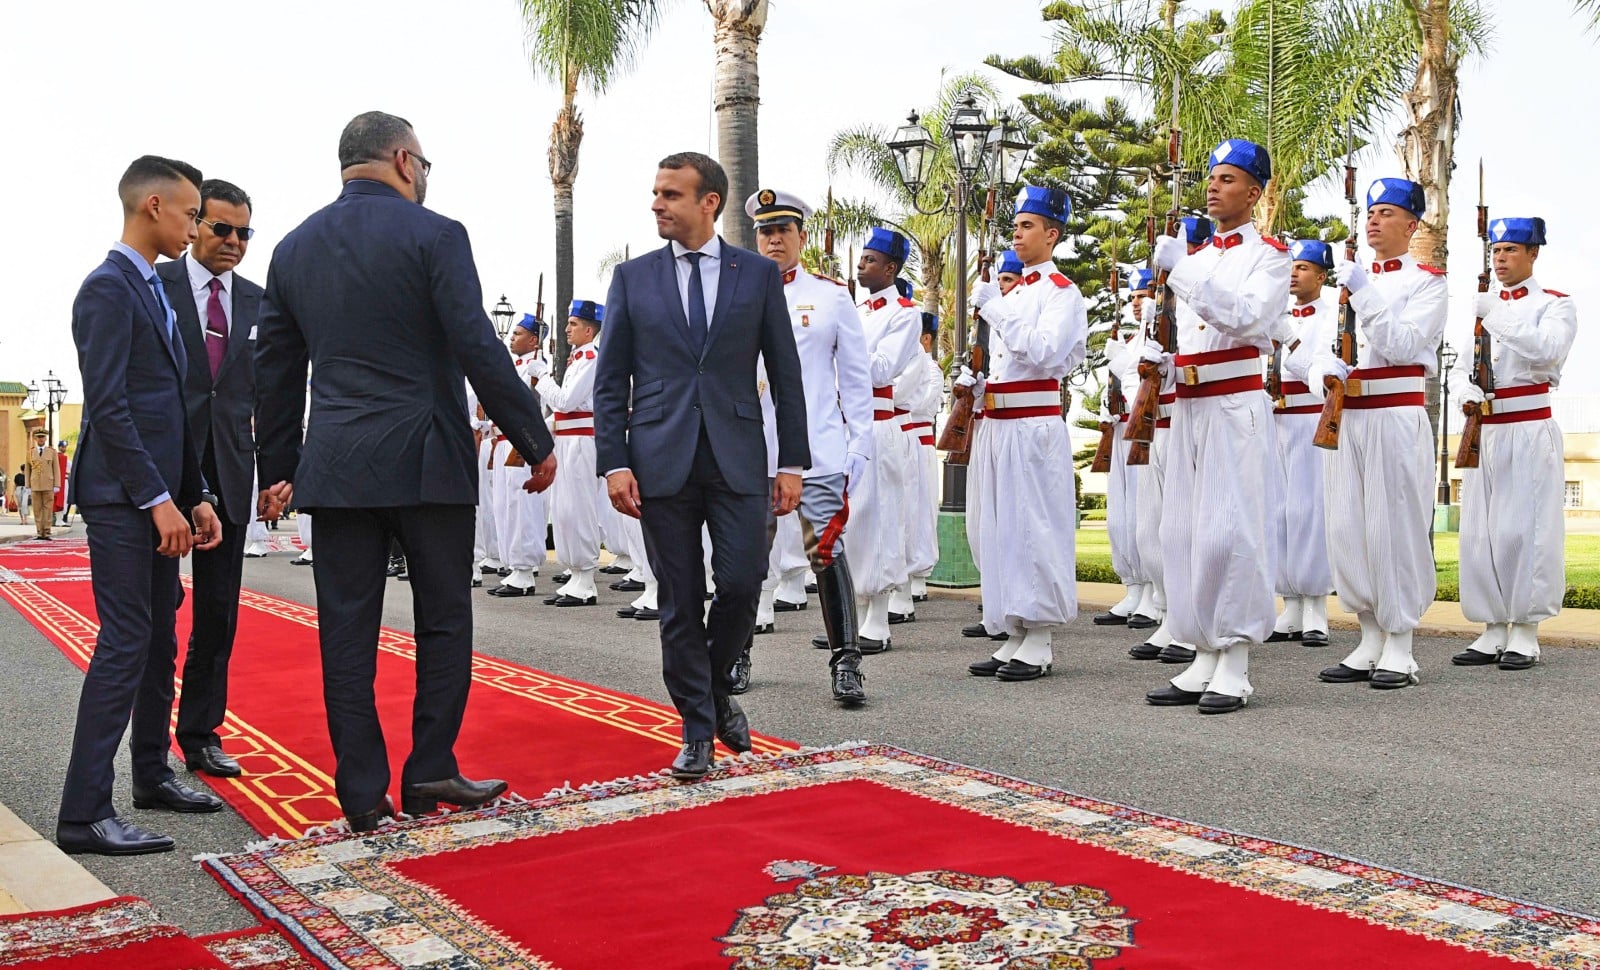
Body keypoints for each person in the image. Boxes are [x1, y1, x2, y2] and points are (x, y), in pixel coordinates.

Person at [253, 111, 556, 830]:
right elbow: (477, 346)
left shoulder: (293, 250)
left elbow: (275, 372)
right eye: (424, 163)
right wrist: (533, 439)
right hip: (427, 462)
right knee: (444, 622)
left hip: (337, 469)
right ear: (402, 159)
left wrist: (281, 466)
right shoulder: (437, 235)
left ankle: (361, 795)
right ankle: (429, 771)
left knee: (345, 635)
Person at [593, 152, 808, 780]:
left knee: (743, 584)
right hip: (659, 460)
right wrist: (614, 462)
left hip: (739, 458)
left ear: (708, 201)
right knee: (680, 600)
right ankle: (696, 727)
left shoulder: (756, 276)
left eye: (671, 194)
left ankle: (713, 693)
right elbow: (611, 383)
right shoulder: (633, 279)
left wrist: (792, 461)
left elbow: (787, 377)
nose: (657, 204)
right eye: (655, 193)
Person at [58, 155, 225, 856]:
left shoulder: (154, 288)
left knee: (159, 640)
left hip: (160, 496)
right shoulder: (107, 288)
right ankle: (84, 814)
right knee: (126, 639)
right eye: (191, 213)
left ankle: (151, 776)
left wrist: (198, 495)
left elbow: (173, 413)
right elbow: (113, 409)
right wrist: (158, 500)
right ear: (152, 205)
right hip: (123, 498)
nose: (197, 226)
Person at [1142, 139, 1290, 714]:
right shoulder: (1197, 257)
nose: (1213, 186)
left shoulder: (1271, 256)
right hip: (1192, 406)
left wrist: (1183, 272)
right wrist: (1165, 363)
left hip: (1235, 406)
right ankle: (1201, 648)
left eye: (1228, 179)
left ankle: (1235, 661)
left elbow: (1247, 316)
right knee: (1184, 532)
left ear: (1253, 193)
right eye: (1211, 177)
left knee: (1232, 532)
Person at [1309, 178, 1447, 691]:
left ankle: (1401, 645)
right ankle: (1368, 636)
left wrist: (1362, 292)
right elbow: (1318, 350)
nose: (1374, 221)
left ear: (1411, 225)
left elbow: (1403, 343)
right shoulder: (1348, 282)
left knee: (1393, 527)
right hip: (1348, 415)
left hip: (1393, 413)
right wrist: (1323, 372)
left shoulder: (1427, 283)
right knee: (1347, 527)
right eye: (1370, 212)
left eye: (1386, 213)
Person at [741, 188, 872, 703]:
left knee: (826, 552)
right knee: (746, 559)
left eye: (784, 231)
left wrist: (860, 446)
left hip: (815, 448)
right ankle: (736, 656)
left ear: (801, 236)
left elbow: (856, 380)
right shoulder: (737, 297)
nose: (775, 239)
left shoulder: (831, 296)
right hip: (751, 450)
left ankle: (847, 664)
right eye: (766, 232)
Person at [961, 185, 1088, 681]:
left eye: (1027, 225)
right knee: (998, 528)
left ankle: (1039, 636)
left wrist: (994, 308)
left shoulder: (1061, 292)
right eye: (1015, 224)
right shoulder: (1016, 293)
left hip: (1033, 426)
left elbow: (1043, 351)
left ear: (1051, 234)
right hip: (998, 424)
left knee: (1034, 527)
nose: (1017, 232)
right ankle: (1012, 628)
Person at [158, 178, 262, 779]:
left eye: (244, 232)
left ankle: (200, 735)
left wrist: (278, 471)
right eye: (221, 228)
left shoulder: (259, 301)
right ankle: (147, 741)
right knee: (155, 607)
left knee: (219, 611)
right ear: (195, 224)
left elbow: (271, 392)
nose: (233, 241)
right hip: (166, 465)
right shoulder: (158, 287)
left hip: (229, 468)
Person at [1452, 217, 1576, 670]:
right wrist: (1467, 394)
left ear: (1533, 254)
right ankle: (1491, 628)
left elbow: (1547, 350)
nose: (1501, 258)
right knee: (1482, 532)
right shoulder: (1486, 311)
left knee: (1528, 531)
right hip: (1487, 430)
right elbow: (1466, 367)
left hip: (1528, 429)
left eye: (1510, 250)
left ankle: (1525, 630)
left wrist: (1495, 315)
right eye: (1496, 251)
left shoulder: (1555, 305)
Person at [1123, 219, 1212, 665]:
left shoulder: (1201, 298)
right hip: (1159, 422)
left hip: (1189, 418)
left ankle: (1191, 621)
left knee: (1192, 527)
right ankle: (1167, 611)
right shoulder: (1159, 309)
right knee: (1157, 527)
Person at [832, 228, 922, 652]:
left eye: (869, 259)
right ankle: (850, 616)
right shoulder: (856, 310)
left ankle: (879, 619)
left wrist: (842, 339)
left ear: (890, 269)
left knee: (878, 519)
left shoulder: (904, 313)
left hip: (877, 424)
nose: (861, 265)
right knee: (846, 523)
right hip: (843, 426)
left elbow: (882, 370)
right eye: (861, 258)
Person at [1269, 239, 1338, 648]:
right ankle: (1290, 605)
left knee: (1310, 510)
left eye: (1304, 267)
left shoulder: (1332, 317)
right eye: (1291, 266)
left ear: (1322, 276)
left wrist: (1287, 337)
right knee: (1277, 512)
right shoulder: (1274, 313)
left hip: (1311, 416)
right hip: (1274, 418)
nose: (1294, 273)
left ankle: (1316, 608)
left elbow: (1317, 363)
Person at [528, 301, 607, 605]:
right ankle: (575, 573)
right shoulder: (578, 360)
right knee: (562, 509)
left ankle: (586, 578)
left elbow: (566, 401)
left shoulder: (590, 359)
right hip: (565, 440)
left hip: (582, 443)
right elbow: (562, 413)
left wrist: (543, 377)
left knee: (579, 507)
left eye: (573, 324)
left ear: (589, 329)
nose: (566, 329)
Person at [1095, 268, 1154, 629]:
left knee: (1145, 514)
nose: (1137, 302)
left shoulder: (1156, 340)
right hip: (1121, 432)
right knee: (1122, 516)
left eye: (1143, 294)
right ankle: (1132, 586)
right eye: (1132, 297)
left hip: (1146, 430)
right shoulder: (1131, 342)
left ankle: (1152, 592)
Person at [484, 317, 549, 598]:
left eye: (519, 333)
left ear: (534, 340)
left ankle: (524, 570)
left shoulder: (538, 368)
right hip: (500, 441)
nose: (512, 337)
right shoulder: (515, 367)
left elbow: (541, 409)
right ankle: (514, 566)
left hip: (520, 443)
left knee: (521, 506)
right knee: (504, 506)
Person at [26, 430, 58, 540]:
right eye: (38, 437)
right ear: (35, 438)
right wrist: (27, 486)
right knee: (37, 509)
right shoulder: (30, 453)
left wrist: (57, 485)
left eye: (42, 437)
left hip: (48, 484)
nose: (40, 439)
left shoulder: (52, 452)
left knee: (48, 509)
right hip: (35, 484)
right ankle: (39, 532)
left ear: (45, 438)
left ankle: (47, 532)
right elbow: (27, 470)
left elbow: (56, 469)